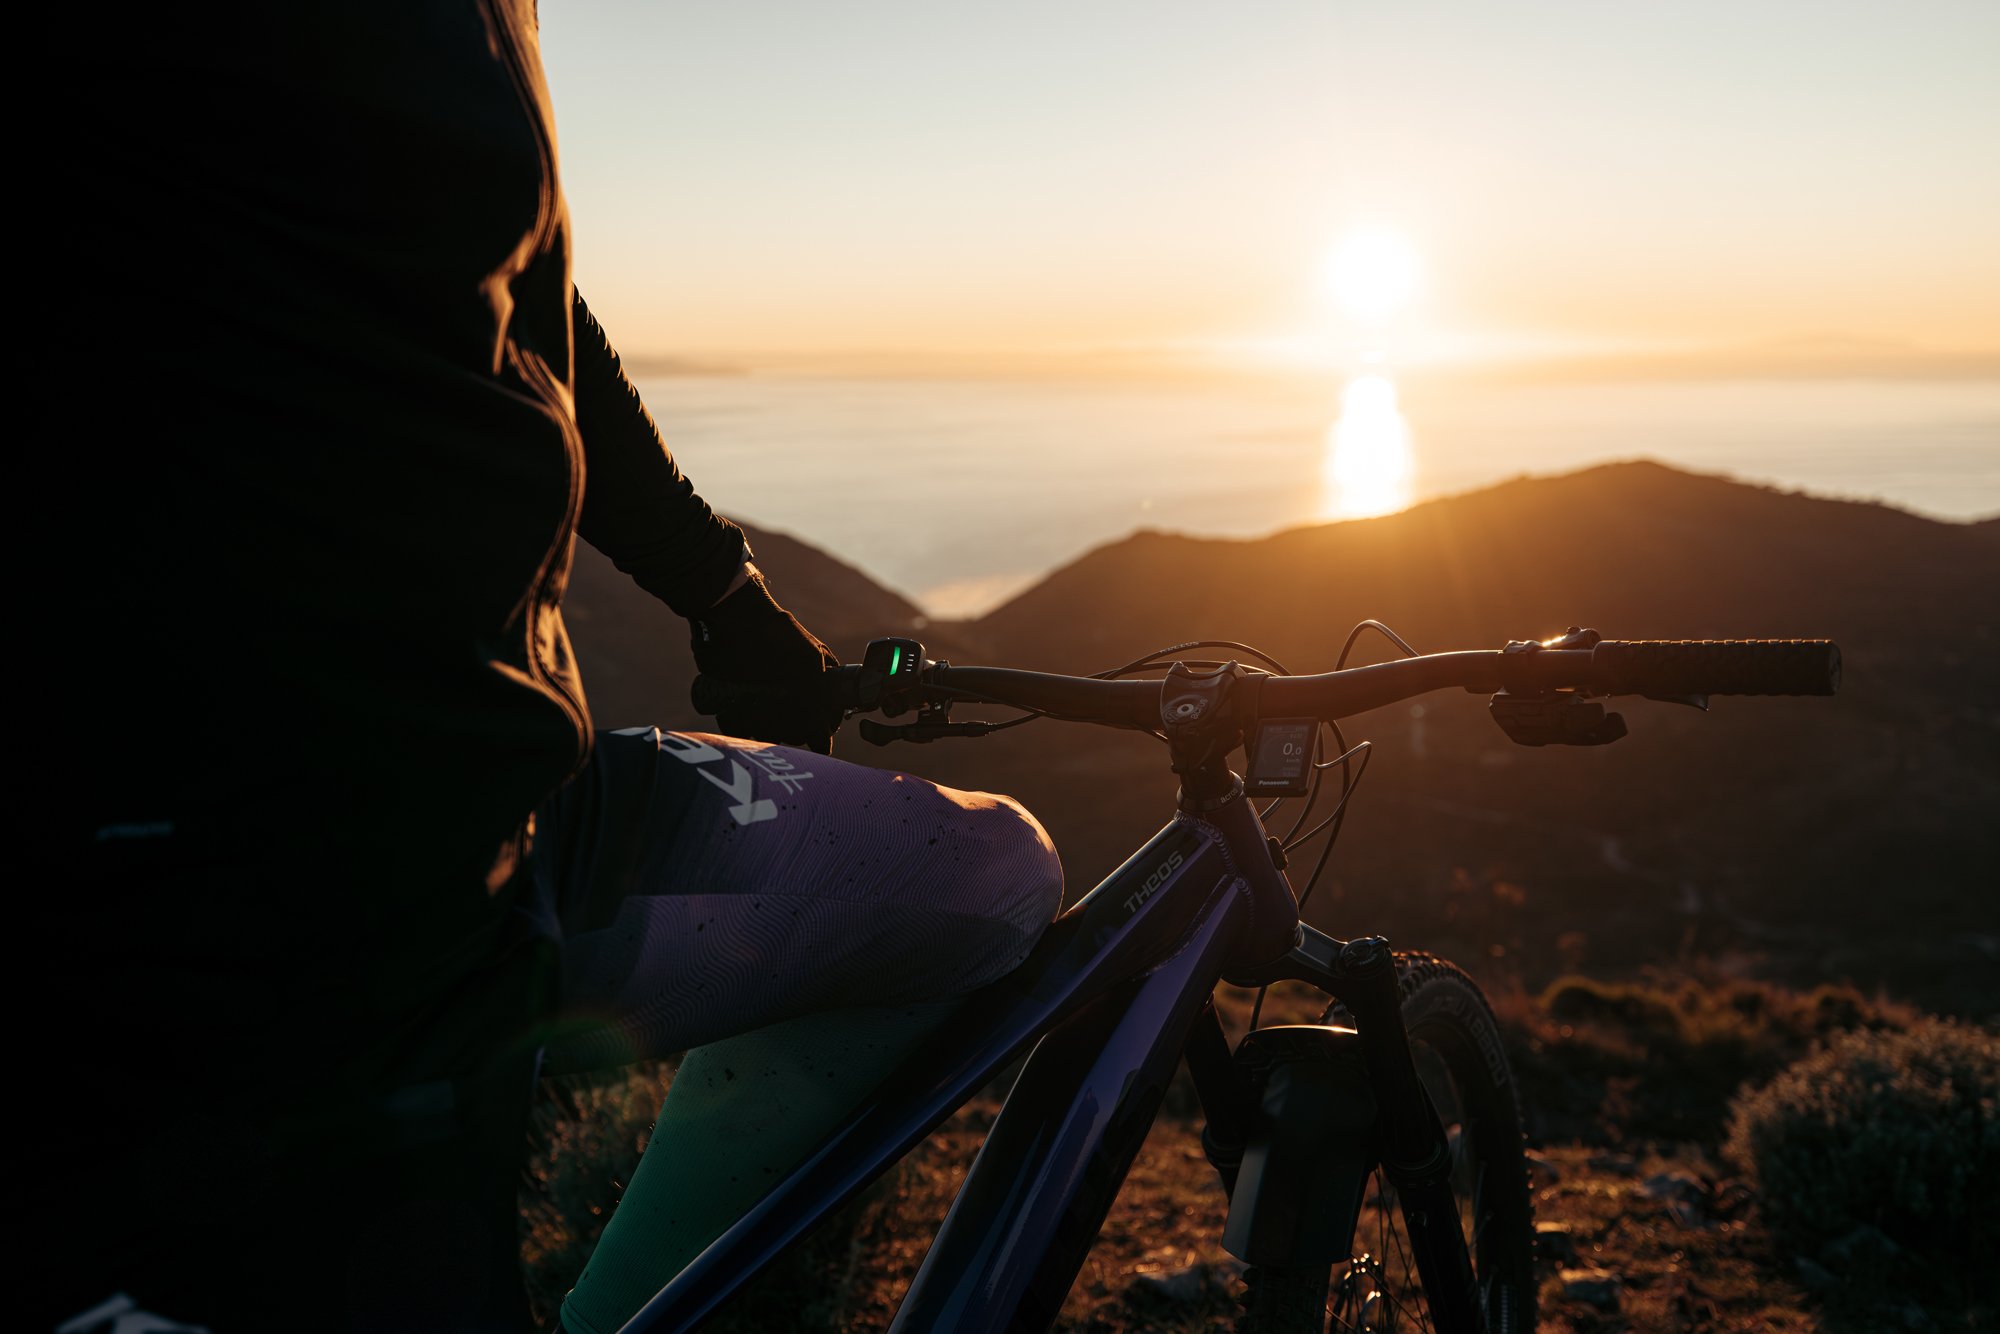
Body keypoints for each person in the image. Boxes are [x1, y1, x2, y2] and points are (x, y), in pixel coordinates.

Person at [36, 7, 1061, 1331]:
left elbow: (510, 283)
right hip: (240, 904)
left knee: (979, 875)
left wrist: (720, 588)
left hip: (495, 822)